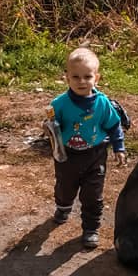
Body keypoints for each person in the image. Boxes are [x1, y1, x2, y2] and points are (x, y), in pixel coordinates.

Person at [48, 47, 127, 249]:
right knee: (65, 188)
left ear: (96, 78)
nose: (81, 81)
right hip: (68, 156)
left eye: (87, 76)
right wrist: (50, 128)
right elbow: (52, 127)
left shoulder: (102, 103)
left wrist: (119, 147)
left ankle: (91, 228)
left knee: (93, 194)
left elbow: (113, 125)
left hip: (95, 154)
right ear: (67, 78)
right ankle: (64, 206)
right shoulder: (59, 104)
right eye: (75, 77)